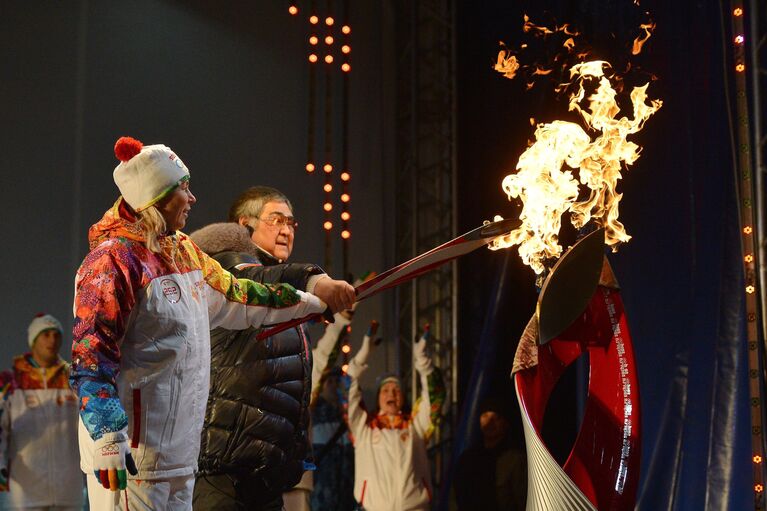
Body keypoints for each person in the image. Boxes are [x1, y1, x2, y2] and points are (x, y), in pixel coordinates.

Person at [71, 137, 328, 511]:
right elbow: (91, 357)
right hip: (134, 458)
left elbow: (237, 295)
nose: (192, 199)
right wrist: (108, 434)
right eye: (183, 189)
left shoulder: (182, 252)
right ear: (155, 198)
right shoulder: (113, 261)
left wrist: (306, 304)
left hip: (181, 456)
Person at [189, 186, 356, 510]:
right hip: (224, 469)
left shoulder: (281, 298)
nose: (286, 230)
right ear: (244, 225)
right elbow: (262, 279)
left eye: (291, 223)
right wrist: (313, 281)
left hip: (263, 473)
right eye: (276, 220)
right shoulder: (228, 266)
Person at [345, 327, 446, 511]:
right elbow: (347, 396)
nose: (391, 393)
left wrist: (422, 360)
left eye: (396, 390)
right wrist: (361, 357)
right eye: (385, 390)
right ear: (377, 398)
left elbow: (435, 398)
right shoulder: (364, 429)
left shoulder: (416, 427)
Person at [0, 313, 84, 510]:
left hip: (69, 492)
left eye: (56, 334)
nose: (52, 340)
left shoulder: (76, 380)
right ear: (33, 340)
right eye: (45, 334)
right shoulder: (11, 383)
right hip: (24, 494)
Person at [453, 396, 527, 511]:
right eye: (485, 416)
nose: (490, 422)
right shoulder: (468, 459)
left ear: (505, 423)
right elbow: (455, 497)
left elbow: (522, 500)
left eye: (496, 418)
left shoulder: (515, 460)